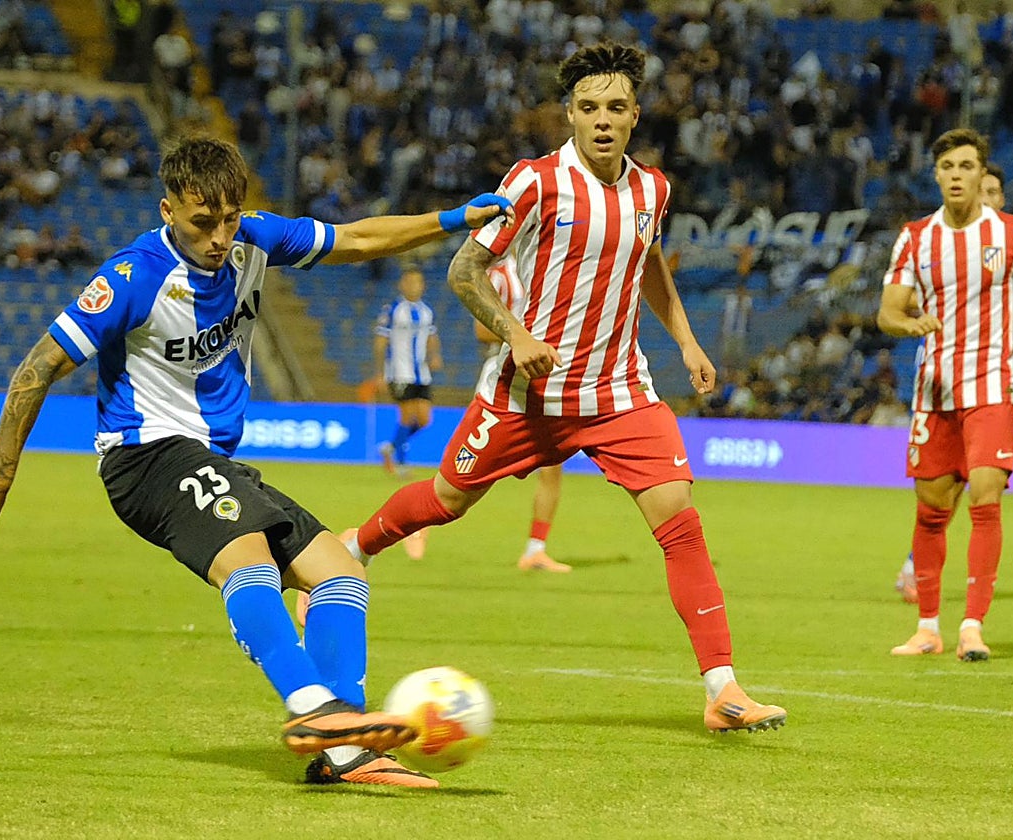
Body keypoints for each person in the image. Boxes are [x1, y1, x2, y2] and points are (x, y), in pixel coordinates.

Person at [0, 136, 512, 788]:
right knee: (248, 557)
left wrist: (451, 219)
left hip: (210, 458)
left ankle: (346, 750)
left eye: (228, 218)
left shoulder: (254, 239)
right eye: (201, 222)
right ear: (168, 210)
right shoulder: (133, 277)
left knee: (339, 572)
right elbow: (37, 367)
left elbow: (357, 239)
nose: (219, 237)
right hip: (144, 456)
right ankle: (313, 708)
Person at [337, 43, 786, 733]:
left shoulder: (654, 190)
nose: (602, 119)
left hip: (620, 394)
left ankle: (722, 690)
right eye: (588, 107)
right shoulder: (535, 182)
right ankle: (353, 550)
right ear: (569, 115)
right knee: (447, 499)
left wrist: (687, 340)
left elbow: (649, 264)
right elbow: (464, 271)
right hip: (530, 394)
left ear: (635, 116)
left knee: (681, 525)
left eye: (615, 107)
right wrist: (515, 334)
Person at [878, 128, 1013, 660]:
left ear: (982, 174)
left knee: (986, 496)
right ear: (936, 174)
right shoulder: (915, 238)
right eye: (948, 167)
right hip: (934, 391)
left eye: (967, 166)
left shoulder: (1011, 233)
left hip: (992, 385)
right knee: (931, 510)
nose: (957, 175)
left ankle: (972, 626)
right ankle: (927, 628)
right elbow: (887, 311)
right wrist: (908, 324)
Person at [892, 160, 1013, 604]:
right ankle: (918, 570)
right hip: (941, 382)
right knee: (945, 487)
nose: (989, 198)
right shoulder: (940, 245)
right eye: (985, 191)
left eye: (996, 192)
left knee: (979, 484)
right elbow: (908, 296)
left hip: (992, 383)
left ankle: (934, 581)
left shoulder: (1009, 248)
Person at [476, 254, 571, 573]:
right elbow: (482, 330)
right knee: (472, 471)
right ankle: (417, 521)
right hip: (504, 376)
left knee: (553, 465)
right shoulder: (500, 274)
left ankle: (535, 549)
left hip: (540, 378)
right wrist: (525, 336)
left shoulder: (550, 263)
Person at [374, 265, 442, 559]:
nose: (415, 286)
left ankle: (390, 447)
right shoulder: (393, 310)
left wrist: (435, 355)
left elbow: (431, 336)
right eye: (410, 281)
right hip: (399, 371)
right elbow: (380, 340)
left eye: (419, 282)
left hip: (421, 373)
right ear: (403, 284)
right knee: (406, 417)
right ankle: (400, 461)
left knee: (425, 420)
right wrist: (379, 373)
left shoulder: (426, 311)